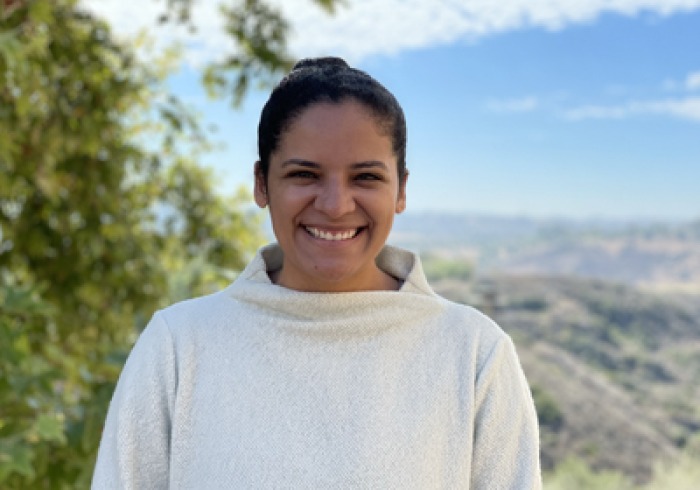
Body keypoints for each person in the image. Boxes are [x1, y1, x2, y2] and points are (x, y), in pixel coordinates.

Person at [92, 57, 542, 489]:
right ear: (262, 184)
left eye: (365, 177)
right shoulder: (177, 347)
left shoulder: (475, 355)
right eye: (305, 174)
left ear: (402, 189)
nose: (335, 205)